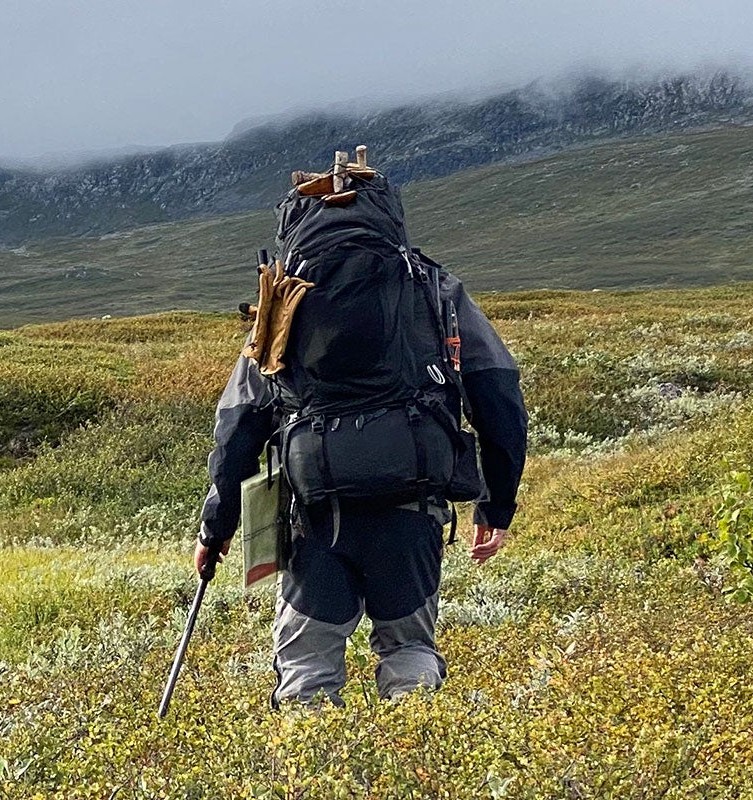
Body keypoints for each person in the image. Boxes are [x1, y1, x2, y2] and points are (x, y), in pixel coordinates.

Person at [191, 168, 531, 707]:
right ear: (391, 216)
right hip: (411, 503)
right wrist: (497, 505)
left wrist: (217, 528)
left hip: (315, 512)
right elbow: (499, 398)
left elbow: (238, 423)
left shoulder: (282, 297)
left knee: (307, 665)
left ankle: (310, 772)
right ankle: (415, 763)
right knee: (409, 650)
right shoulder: (435, 288)